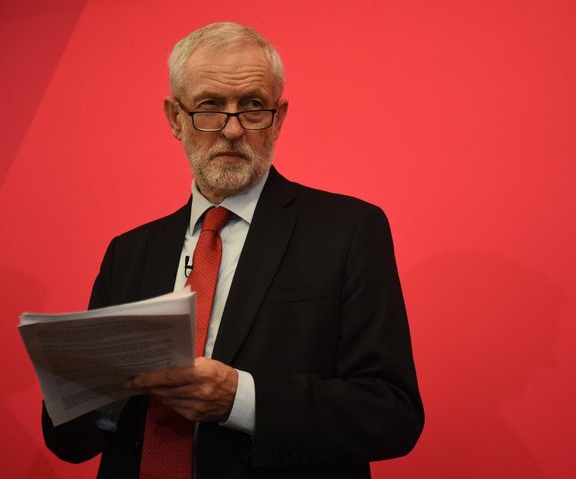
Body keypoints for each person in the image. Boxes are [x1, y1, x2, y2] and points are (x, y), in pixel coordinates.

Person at [42, 22, 423, 479]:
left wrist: (239, 399)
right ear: (175, 119)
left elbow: (391, 414)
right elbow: (68, 441)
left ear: (278, 118)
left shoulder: (349, 231)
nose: (233, 129)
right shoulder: (128, 253)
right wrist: (95, 392)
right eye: (209, 107)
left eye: (253, 106)